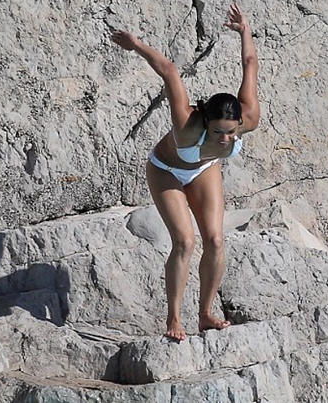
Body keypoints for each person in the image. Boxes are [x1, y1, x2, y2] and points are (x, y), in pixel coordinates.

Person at [111, 3, 259, 341]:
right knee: (184, 242)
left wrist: (245, 31)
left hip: (203, 170)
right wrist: (136, 45)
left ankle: (205, 314)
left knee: (216, 240)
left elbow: (250, 64)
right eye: (219, 132)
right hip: (166, 171)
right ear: (206, 121)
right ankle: (173, 320)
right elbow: (169, 71)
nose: (225, 139)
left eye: (231, 132)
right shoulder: (188, 125)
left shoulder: (247, 119)